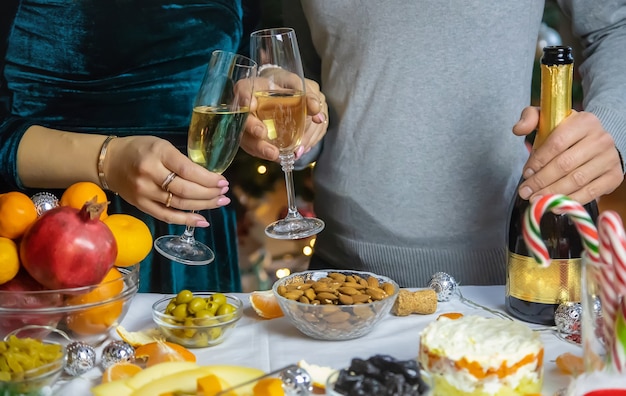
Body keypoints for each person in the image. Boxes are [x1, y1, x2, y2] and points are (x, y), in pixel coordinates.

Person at [272, 1, 626, 286]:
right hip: (339, 273)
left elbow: (613, 26)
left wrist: (613, 121)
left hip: (507, 275)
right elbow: (303, 73)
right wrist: (294, 131)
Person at [0, 0, 328, 293]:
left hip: (194, 225)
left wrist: (261, 84)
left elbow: (235, 59)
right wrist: (108, 160)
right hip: (50, 233)